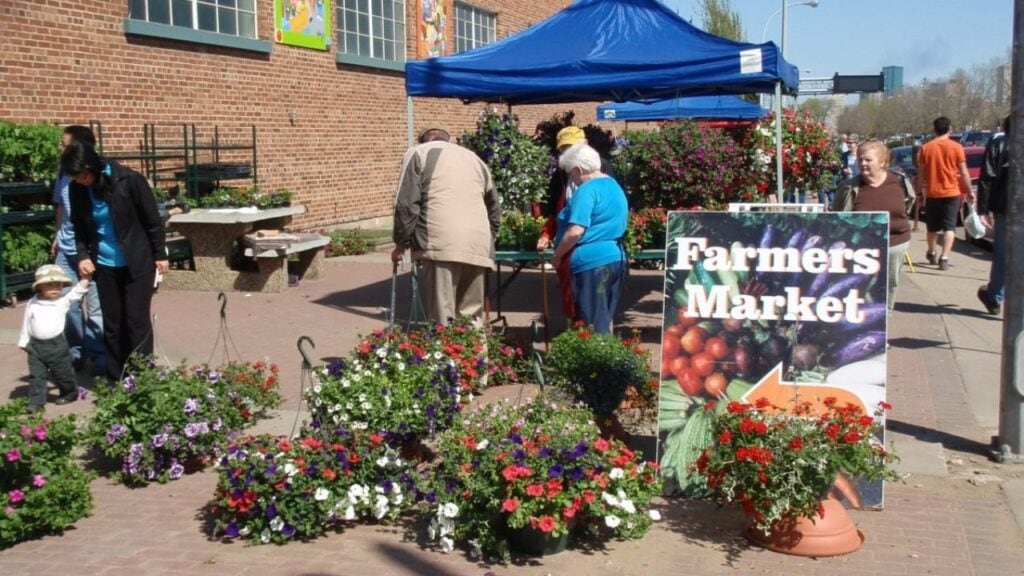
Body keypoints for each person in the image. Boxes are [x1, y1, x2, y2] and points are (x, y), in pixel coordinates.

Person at [60, 140, 168, 382]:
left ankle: (142, 377)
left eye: (82, 175)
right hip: (105, 264)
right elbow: (77, 226)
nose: (79, 180)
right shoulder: (77, 190)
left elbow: (152, 219)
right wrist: (83, 256)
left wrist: (160, 254)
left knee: (136, 320)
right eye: (74, 177)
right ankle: (116, 377)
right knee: (112, 322)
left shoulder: (129, 180)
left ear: (92, 166)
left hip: (137, 261)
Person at [391, 126, 501, 325]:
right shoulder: (475, 159)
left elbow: (406, 204)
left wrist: (401, 243)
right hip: (478, 245)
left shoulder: (417, 152)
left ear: (424, 141)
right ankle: (476, 355)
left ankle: (444, 355)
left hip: (439, 243)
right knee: (470, 317)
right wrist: (488, 239)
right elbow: (494, 207)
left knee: (443, 316)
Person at [536, 125, 615, 322]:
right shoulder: (561, 173)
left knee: (592, 309)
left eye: (571, 147)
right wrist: (547, 233)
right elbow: (555, 209)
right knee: (575, 304)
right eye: (564, 149)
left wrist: (558, 253)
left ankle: (586, 342)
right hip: (573, 244)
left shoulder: (598, 175)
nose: (568, 153)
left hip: (587, 247)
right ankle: (576, 337)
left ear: (585, 145)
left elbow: (578, 228)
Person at [551, 142, 628, 334]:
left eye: (571, 174)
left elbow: (576, 230)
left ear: (578, 169)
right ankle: (603, 359)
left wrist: (558, 255)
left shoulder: (586, 190)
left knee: (590, 324)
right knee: (603, 318)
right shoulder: (613, 185)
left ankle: (595, 363)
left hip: (591, 263)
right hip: (614, 257)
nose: (572, 179)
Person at [831, 140, 914, 315]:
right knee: (862, 286)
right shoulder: (848, 187)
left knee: (890, 283)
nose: (863, 164)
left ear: (882, 162)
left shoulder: (898, 181)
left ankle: (885, 319)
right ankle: (863, 319)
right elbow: (837, 214)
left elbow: (909, 202)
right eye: (860, 160)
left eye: (868, 160)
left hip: (895, 243)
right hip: (862, 247)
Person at [51, 125, 105, 373]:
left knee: (95, 307)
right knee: (66, 302)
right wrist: (57, 234)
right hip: (66, 247)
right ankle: (77, 352)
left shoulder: (93, 176)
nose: (60, 148)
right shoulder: (64, 173)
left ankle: (99, 355)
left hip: (91, 250)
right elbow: (60, 206)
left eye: (64, 144)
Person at [18, 264, 90, 413]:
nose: (55, 288)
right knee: (36, 376)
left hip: (57, 345)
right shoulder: (32, 302)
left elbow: (76, 292)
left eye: (58, 285)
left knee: (63, 373)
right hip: (36, 347)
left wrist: (84, 279)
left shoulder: (62, 301)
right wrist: (24, 341)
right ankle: (36, 403)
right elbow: (27, 322)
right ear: (39, 287)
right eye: (49, 285)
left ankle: (69, 392)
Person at [917, 116, 974, 270]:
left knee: (932, 227)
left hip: (933, 193)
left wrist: (918, 193)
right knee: (950, 228)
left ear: (934, 129)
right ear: (950, 128)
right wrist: (970, 191)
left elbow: (920, 173)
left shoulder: (926, 148)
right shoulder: (956, 148)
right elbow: (964, 172)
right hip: (952, 192)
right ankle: (944, 257)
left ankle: (932, 251)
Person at [976, 115, 1011, 315]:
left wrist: (983, 209)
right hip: (1005, 206)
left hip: (1005, 207)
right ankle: (995, 295)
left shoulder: (999, 144)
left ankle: (995, 295)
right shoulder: (1000, 144)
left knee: (1002, 255)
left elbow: (987, 177)